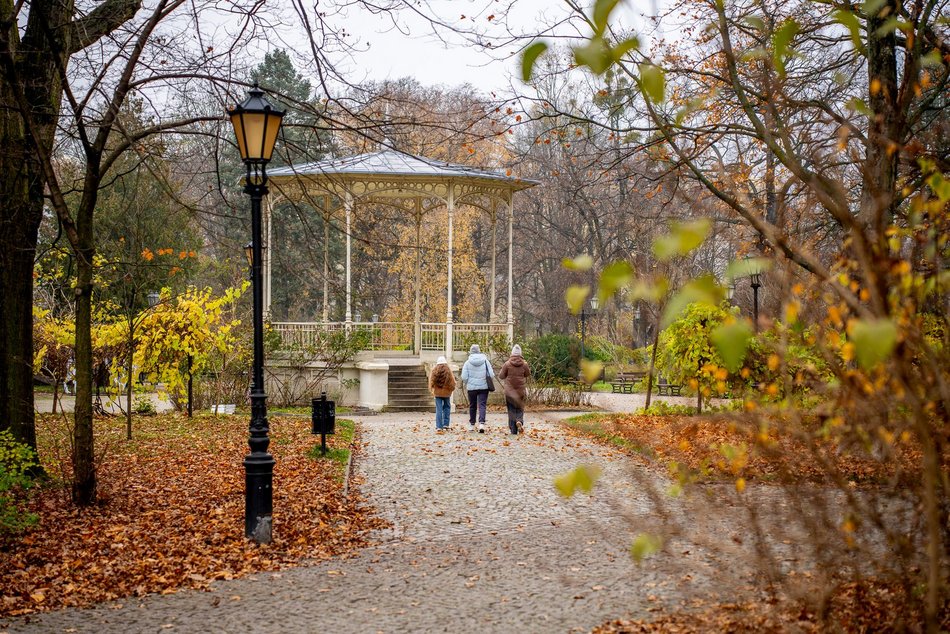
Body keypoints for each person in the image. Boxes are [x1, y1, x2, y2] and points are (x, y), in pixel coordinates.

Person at [461, 344, 494, 433]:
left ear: (470, 352)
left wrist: (469, 382)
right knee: (482, 405)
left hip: (471, 388)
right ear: (479, 351)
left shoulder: (467, 362)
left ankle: (472, 425)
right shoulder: (485, 361)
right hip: (484, 387)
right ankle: (481, 424)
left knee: (472, 406)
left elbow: (464, 377)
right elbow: (491, 374)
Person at [498, 344, 531, 435]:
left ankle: (513, 429)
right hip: (520, 391)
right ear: (520, 354)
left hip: (509, 392)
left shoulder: (507, 364)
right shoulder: (524, 364)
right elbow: (528, 374)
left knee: (511, 409)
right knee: (520, 408)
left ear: (512, 353)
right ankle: (519, 420)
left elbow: (501, 376)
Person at [429, 356, 456, 432]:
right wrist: (451, 389)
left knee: (439, 409)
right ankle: (446, 424)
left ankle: (439, 426)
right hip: (447, 393)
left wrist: (433, 389)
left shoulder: (434, 371)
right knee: (447, 407)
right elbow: (453, 382)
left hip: (437, 393)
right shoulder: (448, 371)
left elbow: (431, 382)